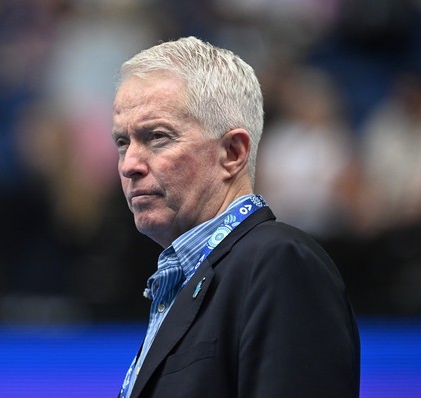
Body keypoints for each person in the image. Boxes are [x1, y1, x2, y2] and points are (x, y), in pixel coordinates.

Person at [111, 37, 360, 398]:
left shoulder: (280, 263)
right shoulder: (190, 281)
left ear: (232, 152)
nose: (130, 164)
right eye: (122, 142)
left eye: (157, 137)